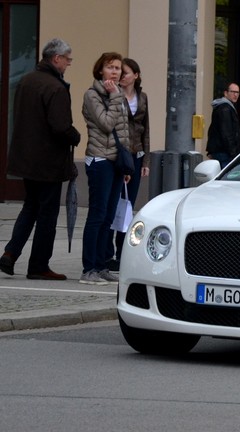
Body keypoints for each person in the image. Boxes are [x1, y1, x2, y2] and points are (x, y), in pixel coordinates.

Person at [0, 38, 81, 280]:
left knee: (30, 208)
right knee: (47, 215)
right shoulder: (55, 87)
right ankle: (38, 266)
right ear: (56, 59)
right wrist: (75, 136)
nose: (68, 64)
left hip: (26, 159)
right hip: (48, 163)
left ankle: (10, 254)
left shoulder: (27, 80)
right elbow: (60, 127)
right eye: (67, 60)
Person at [80, 52, 130, 285]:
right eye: (110, 67)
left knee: (109, 216)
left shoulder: (116, 94)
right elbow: (107, 124)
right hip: (100, 160)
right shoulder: (93, 95)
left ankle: (101, 266)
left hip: (116, 161)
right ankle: (88, 269)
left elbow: (124, 131)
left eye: (118, 68)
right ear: (100, 70)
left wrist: (126, 162)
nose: (115, 72)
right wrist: (114, 97)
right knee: (97, 216)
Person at [105, 58, 150, 272]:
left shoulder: (142, 98)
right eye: (120, 72)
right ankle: (107, 252)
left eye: (126, 72)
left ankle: (122, 252)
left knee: (128, 206)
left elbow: (146, 129)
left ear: (136, 75)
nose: (122, 75)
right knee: (113, 204)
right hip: (119, 154)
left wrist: (146, 160)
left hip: (136, 154)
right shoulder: (114, 95)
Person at [206, 82, 240, 168]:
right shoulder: (225, 108)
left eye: (237, 92)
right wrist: (233, 153)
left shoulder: (223, 107)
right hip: (224, 153)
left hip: (221, 151)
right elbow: (226, 132)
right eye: (233, 92)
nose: (235, 95)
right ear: (226, 93)